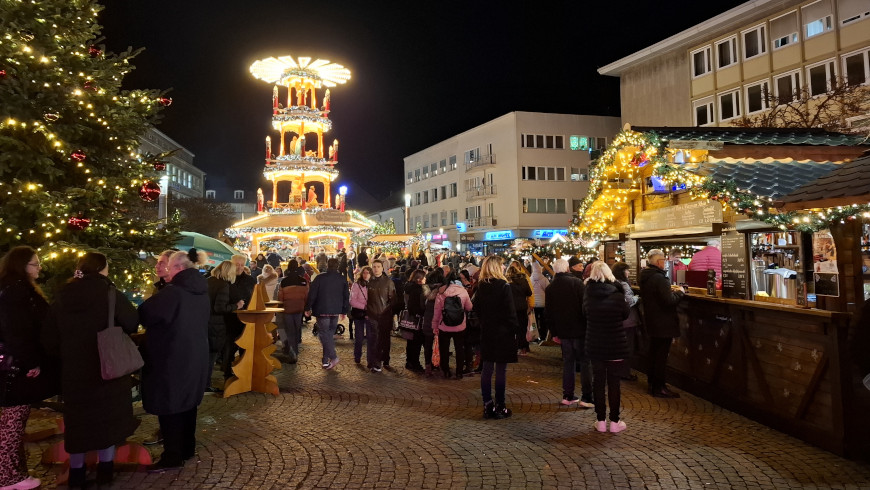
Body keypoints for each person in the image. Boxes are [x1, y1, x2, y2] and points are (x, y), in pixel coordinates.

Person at [43, 252, 139, 487]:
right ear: (102, 269)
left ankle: (77, 473)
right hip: (107, 367)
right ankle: (105, 471)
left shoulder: (63, 294)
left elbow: (49, 337)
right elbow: (131, 322)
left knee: (78, 422)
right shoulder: (110, 293)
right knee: (107, 418)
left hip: (75, 370)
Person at [139, 249, 210, 472]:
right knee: (188, 403)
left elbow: (144, 314)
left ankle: (172, 455)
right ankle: (187, 448)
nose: (167, 271)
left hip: (171, 358)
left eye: (169, 267)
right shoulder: (200, 291)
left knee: (169, 404)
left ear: (179, 268)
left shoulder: (173, 293)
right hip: (195, 356)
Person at [0, 247, 52, 490]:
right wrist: (31, 362)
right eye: (35, 263)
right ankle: (8, 476)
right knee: (13, 421)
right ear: (22, 266)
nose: (39, 267)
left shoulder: (10, 288)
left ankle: (16, 471)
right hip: (15, 368)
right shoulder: (17, 292)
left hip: (12, 364)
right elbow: (18, 332)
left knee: (14, 420)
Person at [584, 261, 630, 433]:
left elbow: (584, 314)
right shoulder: (618, 294)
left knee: (598, 382)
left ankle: (601, 421)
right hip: (615, 344)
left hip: (595, 344)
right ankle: (615, 422)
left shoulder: (588, 294)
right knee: (614, 383)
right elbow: (625, 314)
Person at [473, 256, 519, 419]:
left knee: (487, 369)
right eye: (502, 265)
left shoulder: (481, 286)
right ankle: (500, 405)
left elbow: (476, 308)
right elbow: (510, 311)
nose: (504, 267)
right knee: (500, 370)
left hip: (488, 332)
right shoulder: (504, 286)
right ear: (496, 267)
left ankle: (487, 404)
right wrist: (514, 329)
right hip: (503, 332)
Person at [545, 258, 594, 408]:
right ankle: (587, 397)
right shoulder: (577, 283)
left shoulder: (551, 287)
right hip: (580, 330)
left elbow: (549, 313)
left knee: (568, 362)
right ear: (567, 269)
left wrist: (554, 332)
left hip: (563, 331)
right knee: (585, 362)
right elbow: (585, 306)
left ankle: (568, 395)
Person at [640, 249, 684, 399]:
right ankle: (659, 387)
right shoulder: (659, 278)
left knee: (653, 353)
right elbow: (669, 301)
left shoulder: (645, 276)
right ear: (659, 262)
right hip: (664, 322)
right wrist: (680, 292)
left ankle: (652, 383)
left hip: (652, 321)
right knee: (661, 356)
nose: (665, 262)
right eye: (664, 260)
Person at [305, 258, 349, 370]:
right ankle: (325, 360)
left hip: (322, 309)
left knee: (324, 334)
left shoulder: (320, 278)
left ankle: (333, 357)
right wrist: (344, 310)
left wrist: (308, 307)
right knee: (328, 335)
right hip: (335, 310)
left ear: (327, 265)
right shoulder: (342, 279)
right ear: (338, 266)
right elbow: (346, 296)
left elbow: (312, 294)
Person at [206, 261, 244, 391]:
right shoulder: (223, 285)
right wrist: (236, 306)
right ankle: (206, 385)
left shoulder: (208, 281)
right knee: (211, 355)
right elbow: (220, 307)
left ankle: (202, 383)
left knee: (205, 354)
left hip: (205, 322)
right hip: (215, 324)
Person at [432, 271, 473, 379]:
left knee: (444, 349)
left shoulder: (442, 292)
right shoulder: (463, 291)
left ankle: (446, 371)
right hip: (460, 326)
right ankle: (459, 372)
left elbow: (437, 311)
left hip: (444, 325)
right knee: (459, 349)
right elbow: (469, 307)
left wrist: (435, 326)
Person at [224, 255, 256, 380]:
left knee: (245, 348)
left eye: (242, 265)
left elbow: (254, 298)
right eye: (237, 264)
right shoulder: (226, 279)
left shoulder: (250, 280)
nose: (240, 267)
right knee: (229, 348)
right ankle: (227, 373)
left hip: (246, 319)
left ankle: (244, 374)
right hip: (229, 319)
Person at [612, 262, 640, 381]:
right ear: (622, 272)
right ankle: (624, 372)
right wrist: (637, 297)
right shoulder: (623, 284)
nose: (628, 272)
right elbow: (629, 301)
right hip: (628, 320)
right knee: (628, 347)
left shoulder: (613, 282)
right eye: (627, 270)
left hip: (617, 320)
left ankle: (618, 371)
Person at [365, 260, 395, 372]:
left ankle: (384, 359)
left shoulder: (388, 282)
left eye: (378, 266)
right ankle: (376, 362)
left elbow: (393, 299)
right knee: (375, 338)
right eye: (374, 267)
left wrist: (389, 313)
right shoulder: (369, 282)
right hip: (372, 314)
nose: (376, 269)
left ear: (382, 268)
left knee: (384, 339)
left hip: (385, 315)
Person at [277, 261, 308, 363]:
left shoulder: (284, 282)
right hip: (299, 308)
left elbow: (280, 297)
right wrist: (305, 306)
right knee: (297, 328)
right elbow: (306, 295)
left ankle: (292, 352)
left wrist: (281, 306)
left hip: (287, 309)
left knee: (289, 330)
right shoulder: (303, 281)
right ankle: (295, 349)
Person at [421, 268, 444, 376]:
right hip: (440, 322)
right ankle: (439, 365)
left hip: (427, 321)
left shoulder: (424, 291)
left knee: (428, 344)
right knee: (441, 344)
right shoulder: (442, 291)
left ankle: (428, 366)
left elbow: (422, 307)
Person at [506, 261, 533, 355]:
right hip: (522, 307)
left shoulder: (507, 282)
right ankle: (523, 348)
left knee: (512, 329)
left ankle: (514, 348)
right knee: (522, 328)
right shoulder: (523, 280)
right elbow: (529, 293)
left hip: (511, 308)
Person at [403, 270, 426, 373]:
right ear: (419, 279)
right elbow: (417, 306)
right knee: (416, 342)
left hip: (410, 318)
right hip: (417, 318)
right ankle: (415, 363)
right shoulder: (418, 290)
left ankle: (409, 362)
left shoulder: (409, 287)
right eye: (424, 277)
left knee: (410, 341)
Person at [349, 267, 372, 365]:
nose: (366, 275)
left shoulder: (374, 285)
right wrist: (364, 307)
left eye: (368, 273)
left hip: (371, 314)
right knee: (359, 337)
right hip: (359, 313)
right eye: (364, 273)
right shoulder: (356, 285)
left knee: (371, 337)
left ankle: (370, 360)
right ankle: (357, 356)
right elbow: (352, 301)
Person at [530, 260, 550, 343]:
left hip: (533, 304)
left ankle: (535, 336)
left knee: (534, 321)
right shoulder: (544, 279)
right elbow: (548, 290)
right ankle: (543, 336)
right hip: (543, 303)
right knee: (543, 320)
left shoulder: (530, 279)